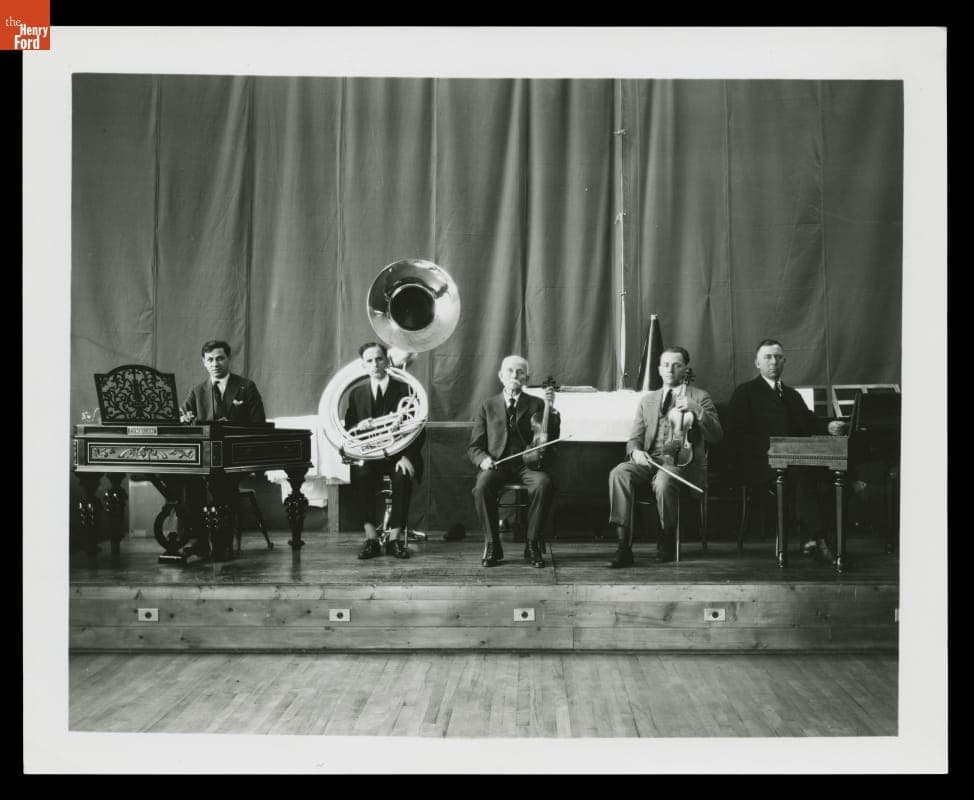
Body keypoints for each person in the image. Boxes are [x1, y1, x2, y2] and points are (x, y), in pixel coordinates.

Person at [606, 347, 723, 567]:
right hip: (650, 458)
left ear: (685, 368)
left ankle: (666, 538)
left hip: (682, 461)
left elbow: (717, 435)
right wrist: (635, 452)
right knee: (619, 473)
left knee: (664, 480)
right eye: (666, 364)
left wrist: (697, 410)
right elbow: (634, 438)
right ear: (659, 369)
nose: (670, 369)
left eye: (677, 364)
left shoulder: (699, 397)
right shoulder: (647, 400)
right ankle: (623, 546)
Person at [727, 339, 834, 562]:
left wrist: (830, 427)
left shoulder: (792, 395)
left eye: (778, 357)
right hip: (758, 465)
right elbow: (737, 435)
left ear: (784, 361)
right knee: (802, 475)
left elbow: (810, 424)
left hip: (793, 462)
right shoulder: (745, 392)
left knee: (832, 475)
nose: (773, 362)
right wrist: (773, 450)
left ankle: (815, 539)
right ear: (757, 362)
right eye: (768, 357)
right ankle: (817, 538)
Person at [179, 340, 267, 563]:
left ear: (228, 359)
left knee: (221, 484)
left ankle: (222, 544)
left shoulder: (246, 387)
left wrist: (232, 426)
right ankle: (198, 542)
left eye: (220, 358)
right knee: (188, 483)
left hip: (236, 459)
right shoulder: (197, 392)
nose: (215, 363)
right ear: (204, 363)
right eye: (210, 359)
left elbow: (258, 425)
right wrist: (186, 421)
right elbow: (182, 421)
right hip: (204, 461)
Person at [468, 355, 560, 568]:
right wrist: (483, 461)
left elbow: (551, 436)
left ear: (526, 377)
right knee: (481, 487)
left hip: (528, 464)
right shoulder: (487, 406)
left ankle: (532, 544)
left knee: (543, 484)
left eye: (520, 372)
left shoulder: (538, 404)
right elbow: (474, 447)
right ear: (501, 376)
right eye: (510, 371)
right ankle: (493, 545)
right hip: (497, 464)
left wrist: (550, 409)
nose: (514, 375)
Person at [345, 342, 425, 560]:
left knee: (402, 478)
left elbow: (419, 429)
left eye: (379, 358)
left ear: (387, 360)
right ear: (363, 365)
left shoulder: (406, 389)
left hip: (398, 455)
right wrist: (357, 429)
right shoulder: (356, 394)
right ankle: (371, 538)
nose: (375, 364)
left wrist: (408, 457)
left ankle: (394, 540)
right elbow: (348, 431)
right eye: (369, 360)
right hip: (369, 455)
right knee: (359, 475)